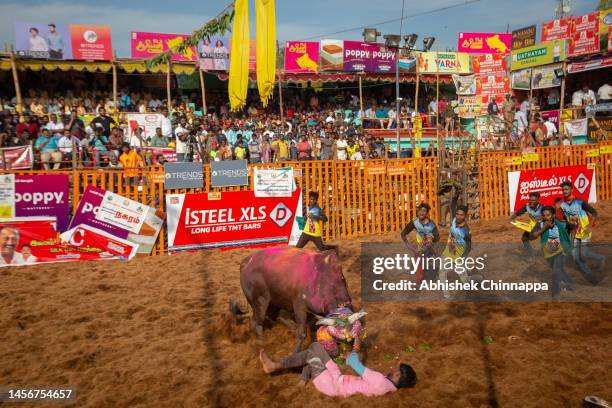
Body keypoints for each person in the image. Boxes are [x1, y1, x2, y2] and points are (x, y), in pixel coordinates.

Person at [259, 342, 416, 397]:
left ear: (398, 375)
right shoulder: (389, 388)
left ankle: (275, 366)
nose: (392, 370)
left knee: (314, 348)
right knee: (314, 355)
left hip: (333, 385)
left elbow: (354, 364)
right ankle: (304, 376)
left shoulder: (380, 381)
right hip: (338, 382)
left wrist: (353, 350)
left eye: (396, 370)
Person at [559, 181, 605, 282]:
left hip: (584, 231)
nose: (564, 191)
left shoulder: (580, 202)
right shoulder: (562, 205)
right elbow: (566, 220)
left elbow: (594, 212)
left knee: (584, 254)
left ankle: (601, 258)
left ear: (571, 189)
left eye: (566, 189)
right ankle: (589, 275)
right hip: (574, 233)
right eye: (563, 190)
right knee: (575, 256)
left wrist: (589, 225)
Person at [529, 206, 575, 300]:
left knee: (556, 271)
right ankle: (571, 283)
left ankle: (556, 294)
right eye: (544, 215)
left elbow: (573, 227)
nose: (546, 217)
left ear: (553, 215)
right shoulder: (540, 224)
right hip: (548, 251)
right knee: (559, 270)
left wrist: (571, 242)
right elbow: (532, 236)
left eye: (548, 215)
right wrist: (544, 228)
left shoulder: (561, 223)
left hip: (561, 250)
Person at [439, 205, 472, 299]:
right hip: (448, 251)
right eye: (457, 214)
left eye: (461, 215)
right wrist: (456, 194)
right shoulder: (454, 220)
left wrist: (463, 258)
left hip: (459, 254)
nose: (458, 216)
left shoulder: (466, 231)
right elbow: (452, 203)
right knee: (442, 271)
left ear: (465, 216)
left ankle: (469, 292)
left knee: (462, 275)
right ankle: (446, 295)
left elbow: (469, 247)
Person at [401, 203, 440, 282]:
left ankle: (430, 275)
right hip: (419, 247)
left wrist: (431, 238)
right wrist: (408, 244)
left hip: (429, 247)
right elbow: (403, 233)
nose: (421, 212)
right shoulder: (415, 222)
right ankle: (421, 276)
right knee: (419, 275)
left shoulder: (431, 225)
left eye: (424, 211)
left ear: (427, 213)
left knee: (429, 264)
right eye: (419, 210)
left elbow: (437, 237)